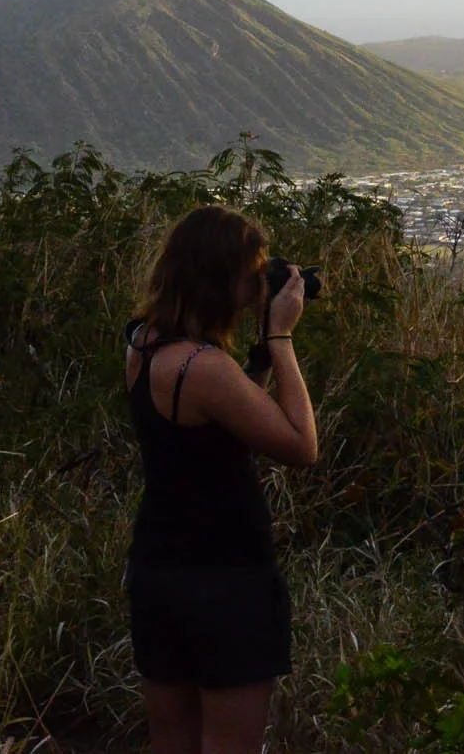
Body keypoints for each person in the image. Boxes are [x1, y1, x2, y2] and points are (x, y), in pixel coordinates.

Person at [122, 204, 319, 753]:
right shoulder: (203, 368)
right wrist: (281, 338)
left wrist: (255, 356)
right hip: (226, 578)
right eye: (252, 273)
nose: (259, 285)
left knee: (172, 743)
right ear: (218, 278)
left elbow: (223, 416)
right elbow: (302, 445)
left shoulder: (141, 342)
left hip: (159, 570)